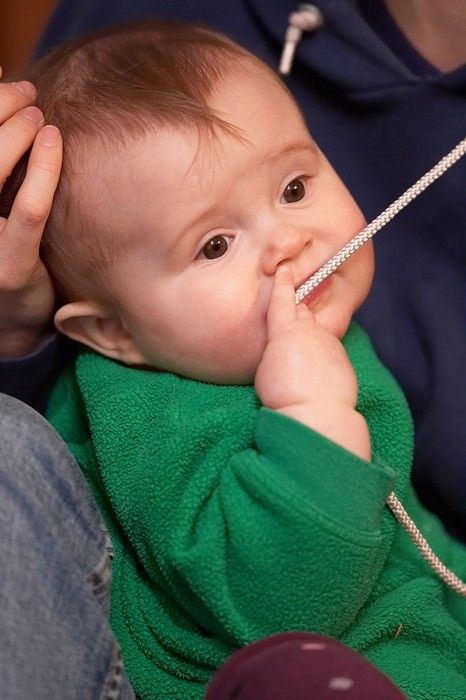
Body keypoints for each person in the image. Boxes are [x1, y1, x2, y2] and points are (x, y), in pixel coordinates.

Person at [4, 21, 465, 700]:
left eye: (295, 189)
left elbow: (412, 540)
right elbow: (276, 608)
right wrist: (312, 422)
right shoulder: (152, 415)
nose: (288, 242)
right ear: (114, 333)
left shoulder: (311, 345)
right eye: (215, 245)